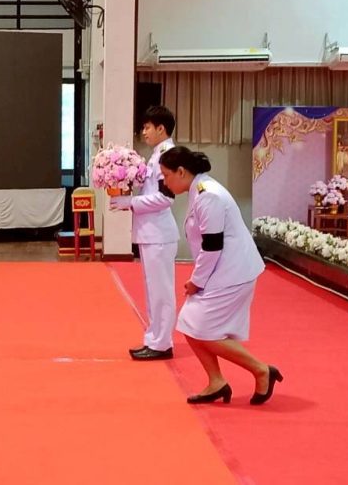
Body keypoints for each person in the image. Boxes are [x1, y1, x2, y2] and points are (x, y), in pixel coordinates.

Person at [159, 146, 283, 405]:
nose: (165, 182)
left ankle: (261, 370)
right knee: (189, 324)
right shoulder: (199, 190)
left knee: (205, 331)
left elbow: (212, 246)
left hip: (233, 271)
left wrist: (196, 281)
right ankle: (216, 381)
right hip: (221, 269)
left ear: (181, 171)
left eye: (166, 175)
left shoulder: (209, 196)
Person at [110, 106, 178, 361]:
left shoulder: (168, 155)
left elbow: (166, 198)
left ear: (161, 128)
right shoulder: (158, 154)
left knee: (161, 292)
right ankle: (154, 338)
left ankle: (162, 342)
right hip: (151, 233)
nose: (144, 132)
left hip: (159, 233)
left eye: (148, 127)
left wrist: (130, 202)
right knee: (153, 291)